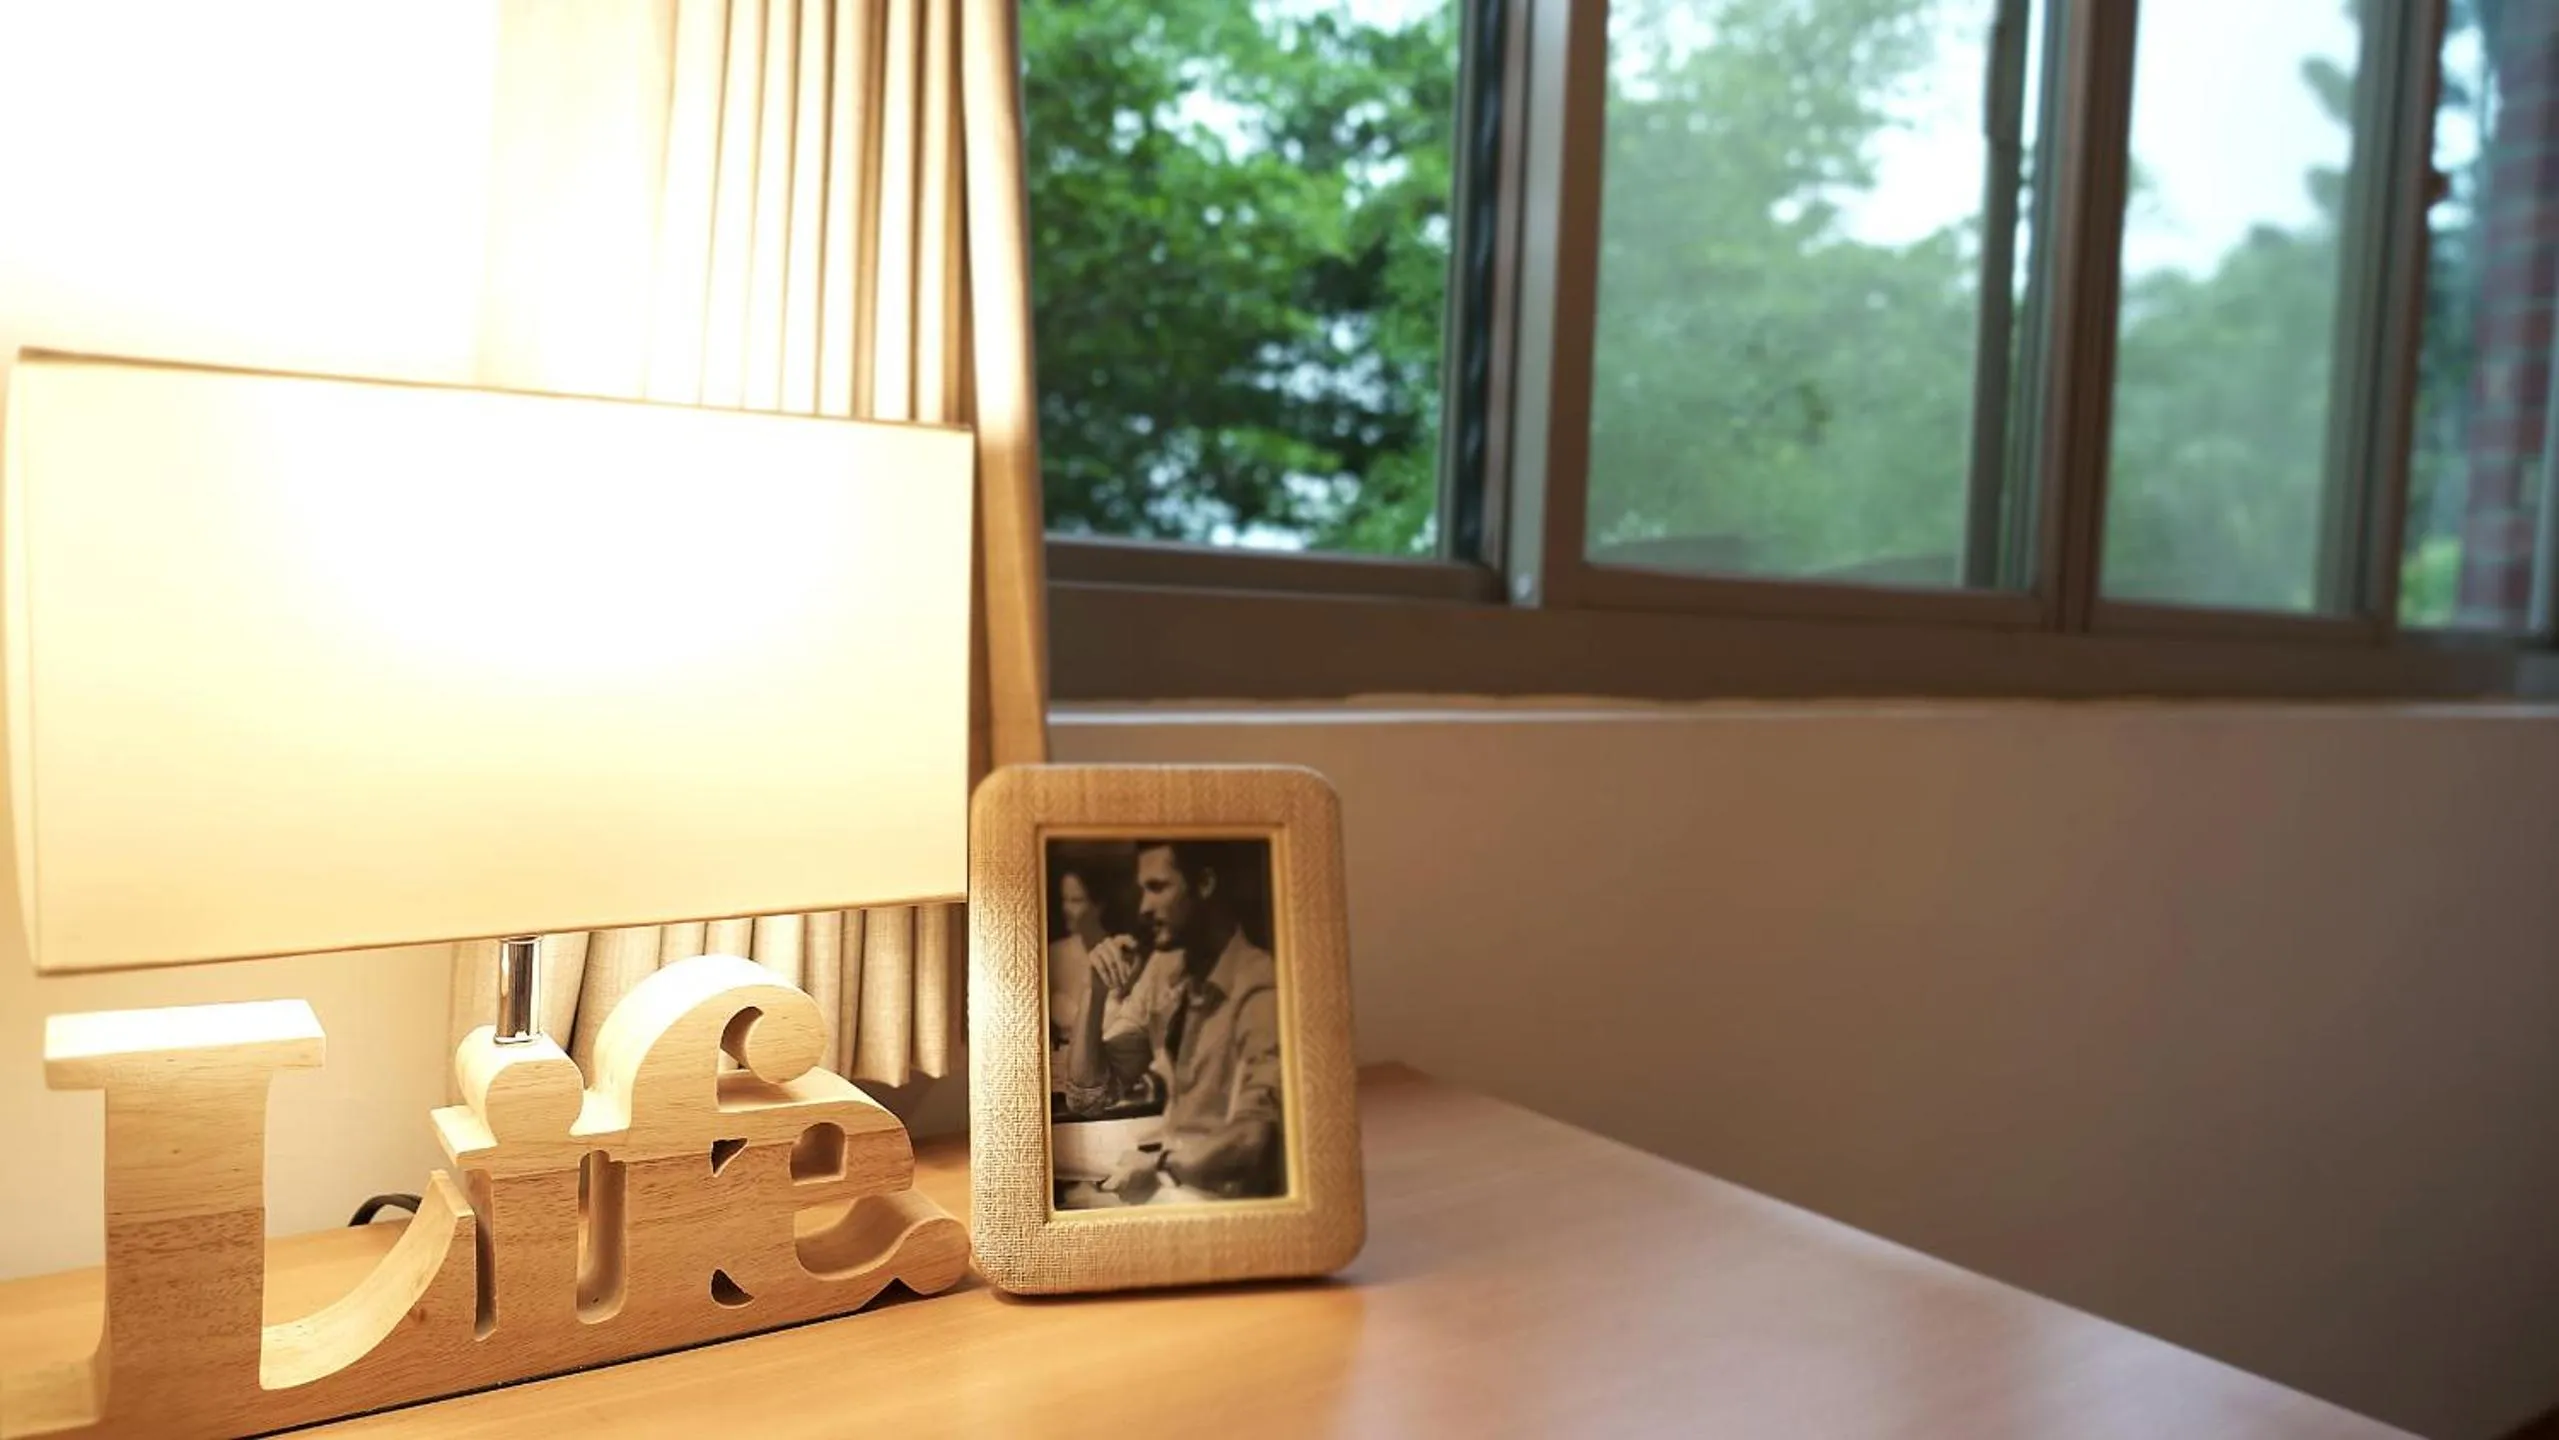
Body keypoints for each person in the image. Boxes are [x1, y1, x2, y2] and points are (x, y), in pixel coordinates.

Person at [1063, 840, 1282, 1202]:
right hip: (1177, 1183)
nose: (1144, 907)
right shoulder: (1165, 970)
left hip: (1229, 1203)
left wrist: (1161, 1167)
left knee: (1077, 1204)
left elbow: (1254, 1138)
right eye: (1142, 890)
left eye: (1158, 887)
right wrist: (1095, 990)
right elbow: (1089, 1098)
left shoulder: (1259, 983)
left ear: (1205, 883)